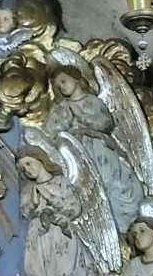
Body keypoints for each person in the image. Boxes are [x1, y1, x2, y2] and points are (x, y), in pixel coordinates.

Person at [42, 64, 144, 229]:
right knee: (96, 188)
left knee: (115, 181)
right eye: (58, 85)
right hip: (80, 154)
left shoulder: (92, 101)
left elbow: (106, 123)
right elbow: (50, 131)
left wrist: (84, 120)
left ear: (76, 78)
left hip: (100, 148)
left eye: (63, 81)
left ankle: (129, 220)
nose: (62, 86)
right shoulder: (62, 108)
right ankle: (113, 225)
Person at [16, 144, 112, 276]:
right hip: (39, 236)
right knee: (37, 270)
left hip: (61, 233)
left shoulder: (60, 181)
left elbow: (74, 208)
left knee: (66, 269)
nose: (27, 170)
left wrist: (50, 197)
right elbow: (25, 211)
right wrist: (34, 204)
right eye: (23, 168)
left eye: (29, 163)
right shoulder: (29, 190)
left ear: (39, 159)